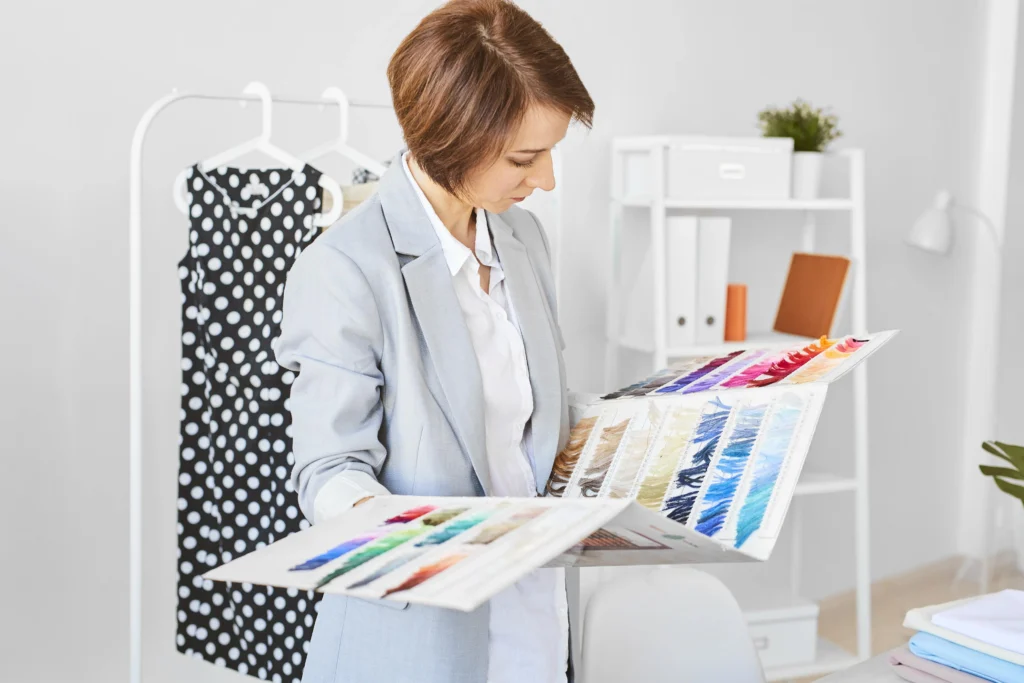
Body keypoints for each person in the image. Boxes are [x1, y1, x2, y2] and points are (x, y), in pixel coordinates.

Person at [275, 1, 594, 681]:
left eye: (551, 153)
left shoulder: (523, 239)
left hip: (536, 616)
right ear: (453, 141)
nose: (546, 181)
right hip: (417, 637)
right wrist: (405, 529)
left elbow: (533, 417)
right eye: (524, 158)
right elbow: (328, 470)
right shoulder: (346, 268)